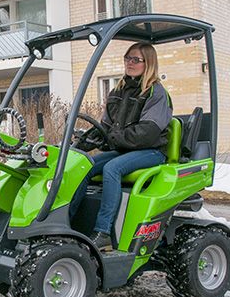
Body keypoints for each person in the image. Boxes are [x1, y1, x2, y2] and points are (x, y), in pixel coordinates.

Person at [69, 42, 172, 250]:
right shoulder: (119, 90)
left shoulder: (155, 93)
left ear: (148, 63)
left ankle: (104, 232)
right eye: (128, 58)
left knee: (112, 168)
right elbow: (104, 127)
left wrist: (113, 138)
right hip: (126, 149)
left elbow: (147, 133)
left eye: (136, 59)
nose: (130, 63)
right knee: (84, 165)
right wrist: (80, 145)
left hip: (151, 151)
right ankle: (67, 223)